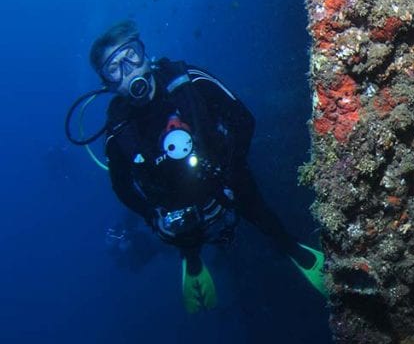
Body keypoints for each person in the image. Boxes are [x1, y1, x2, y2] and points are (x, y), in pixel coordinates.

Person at [89, 20, 327, 313]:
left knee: (260, 212)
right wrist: (154, 218)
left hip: (225, 177)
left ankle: (294, 250)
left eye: (132, 56)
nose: (129, 71)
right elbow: (121, 187)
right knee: (183, 236)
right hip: (176, 203)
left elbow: (243, 120)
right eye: (114, 68)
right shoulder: (118, 131)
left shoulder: (188, 81)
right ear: (107, 84)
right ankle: (192, 261)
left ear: (144, 53)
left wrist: (230, 171)